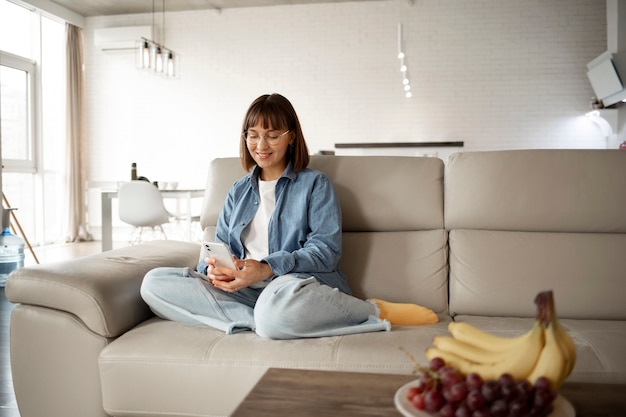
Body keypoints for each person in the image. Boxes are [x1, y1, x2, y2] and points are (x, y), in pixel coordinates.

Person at [140, 93, 437, 339]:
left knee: (278, 306)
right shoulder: (237, 190)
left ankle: (371, 310)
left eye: (271, 136)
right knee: (154, 283)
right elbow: (217, 248)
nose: (261, 146)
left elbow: (326, 252)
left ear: (291, 137)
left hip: (291, 287)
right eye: (253, 136)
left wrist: (266, 268)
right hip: (242, 293)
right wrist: (215, 270)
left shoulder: (315, 185)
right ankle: (261, 321)